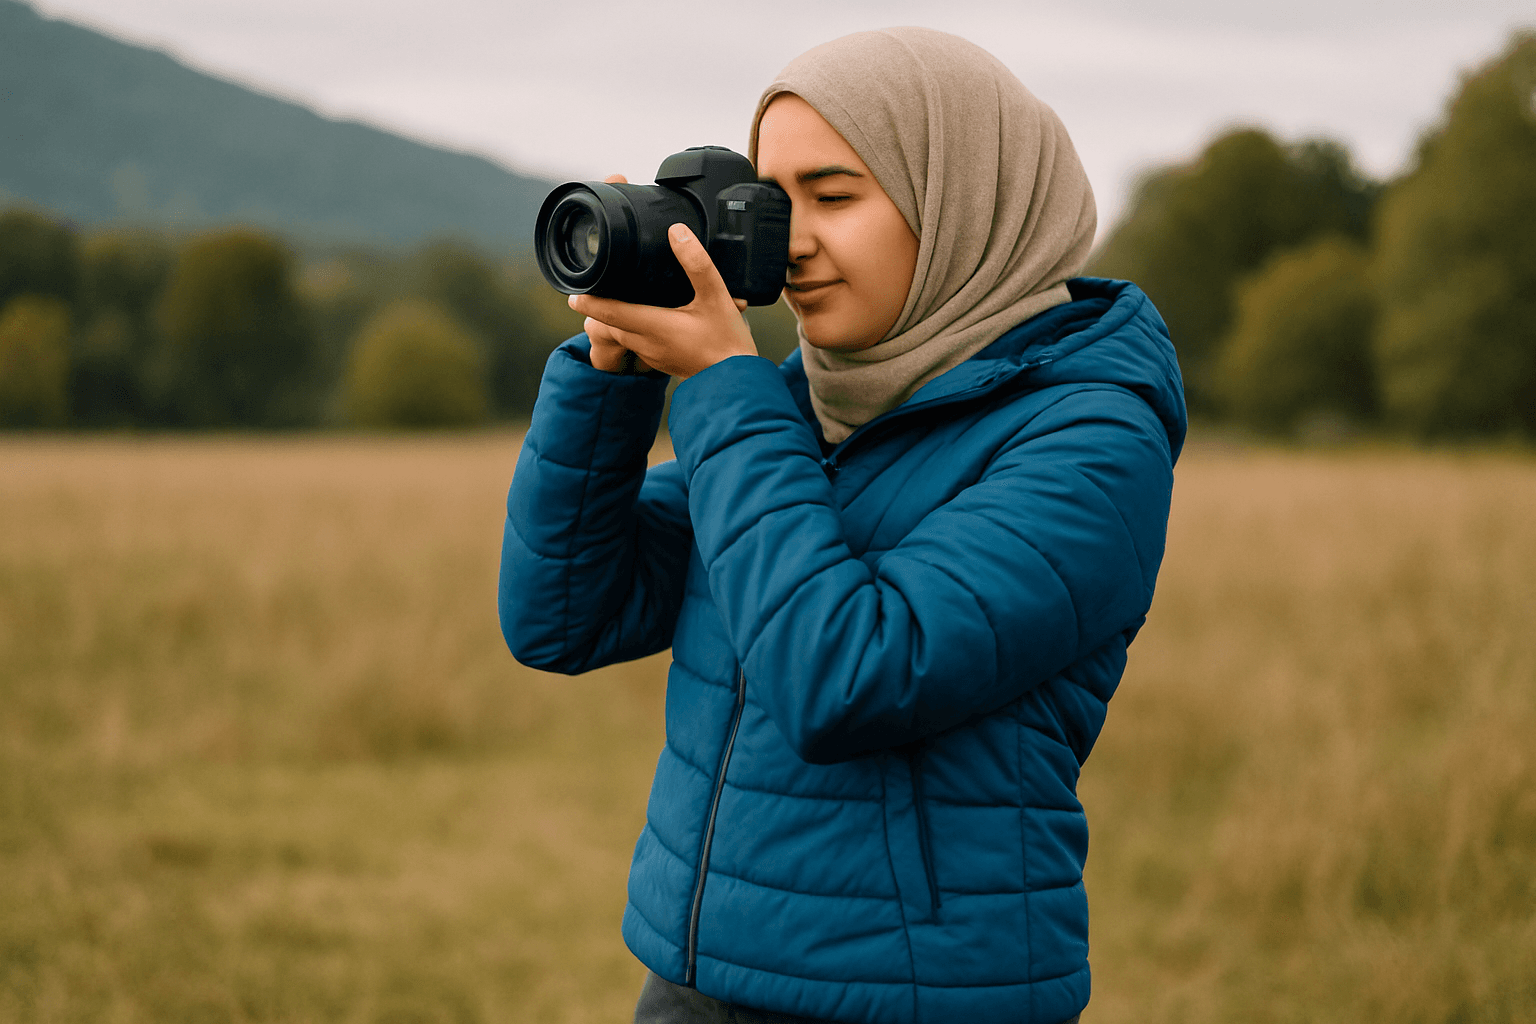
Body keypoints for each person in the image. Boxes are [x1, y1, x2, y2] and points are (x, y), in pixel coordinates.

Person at [499, 26, 1185, 1024]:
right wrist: (614, 382)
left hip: (920, 998)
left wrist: (720, 385)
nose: (792, 243)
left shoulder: (1088, 438)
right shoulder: (796, 414)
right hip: (697, 979)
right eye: (775, 203)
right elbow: (564, 616)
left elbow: (848, 678)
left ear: (959, 198)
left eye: (835, 196)